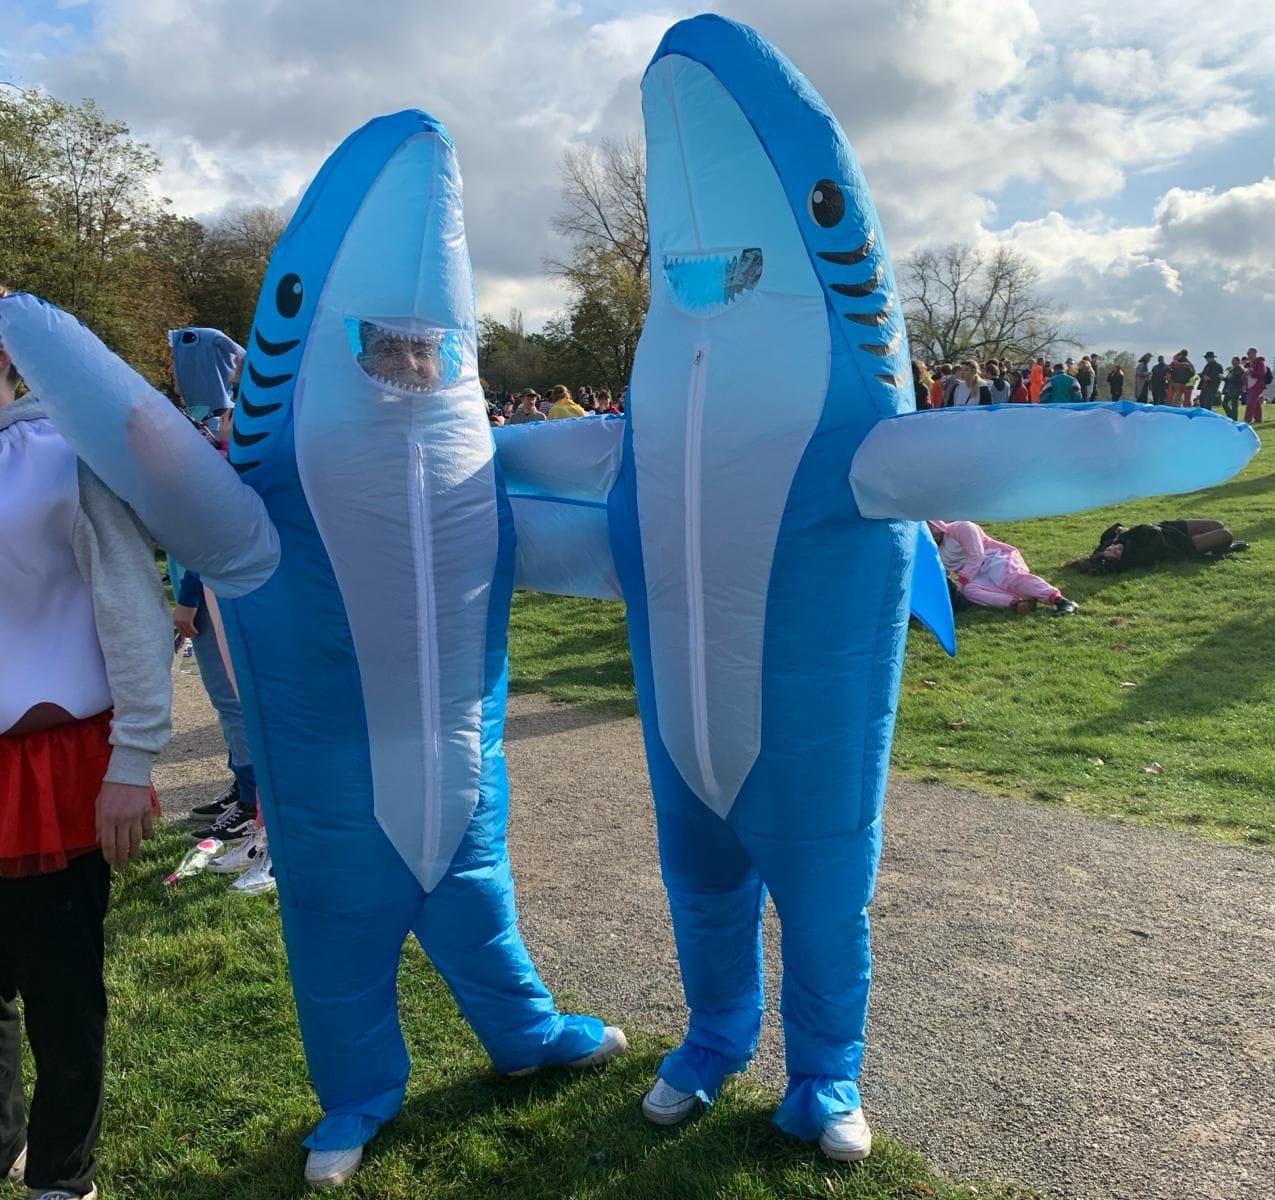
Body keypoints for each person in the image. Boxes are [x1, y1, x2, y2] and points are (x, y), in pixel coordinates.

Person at [0, 288, 172, 1200]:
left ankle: (62, 1180)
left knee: (60, 992)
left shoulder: (63, 453)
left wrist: (134, 758)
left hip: (55, 763)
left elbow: (133, 609)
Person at [927, 520, 1077, 615]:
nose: (931, 533)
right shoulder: (933, 550)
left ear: (936, 524)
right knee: (970, 592)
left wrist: (962, 580)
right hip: (975, 576)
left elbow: (977, 555)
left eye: (930, 527)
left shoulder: (962, 528)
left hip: (994, 558)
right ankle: (1017, 603)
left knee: (1010, 579)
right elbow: (943, 572)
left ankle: (1060, 600)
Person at [1068, 520, 1248, 573]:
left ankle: (1219, 546)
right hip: (1181, 545)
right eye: (1116, 553)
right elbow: (1152, 532)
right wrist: (1128, 533)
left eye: (1111, 550)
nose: (1115, 548)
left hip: (1171, 528)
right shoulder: (1136, 556)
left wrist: (1117, 533)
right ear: (1120, 561)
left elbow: (1110, 532)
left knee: (1215, 524)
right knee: (1225, 534)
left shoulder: (1104, 549)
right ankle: (1224, 549)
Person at [1244, 348, 1268, 424]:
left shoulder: (1260, 362)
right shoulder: (1250, 363)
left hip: (1257, 385)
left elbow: (1262, 373)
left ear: (1254, 353)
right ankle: (1258, 419)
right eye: (1247, 353)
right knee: (1256, 403)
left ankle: (1247, 420)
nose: (1248, 355)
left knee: (1250, 402)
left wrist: (1251, 372)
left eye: (1249, 353)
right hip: (1251, 385)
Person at [1223, 356, 1245, 421]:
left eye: (1234, 360)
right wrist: (1224, 378)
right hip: (1230, 389)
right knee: (1224, 403)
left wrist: (1229, 379)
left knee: (1234, 404)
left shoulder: (1239, 369)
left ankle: (1234, 418)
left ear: (1238, 361)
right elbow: (1228, 379)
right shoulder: (1232, 369)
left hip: (1236, 389)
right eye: (1232, 360)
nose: (1232, 362)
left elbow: (1239, 379)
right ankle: (1231, 416)